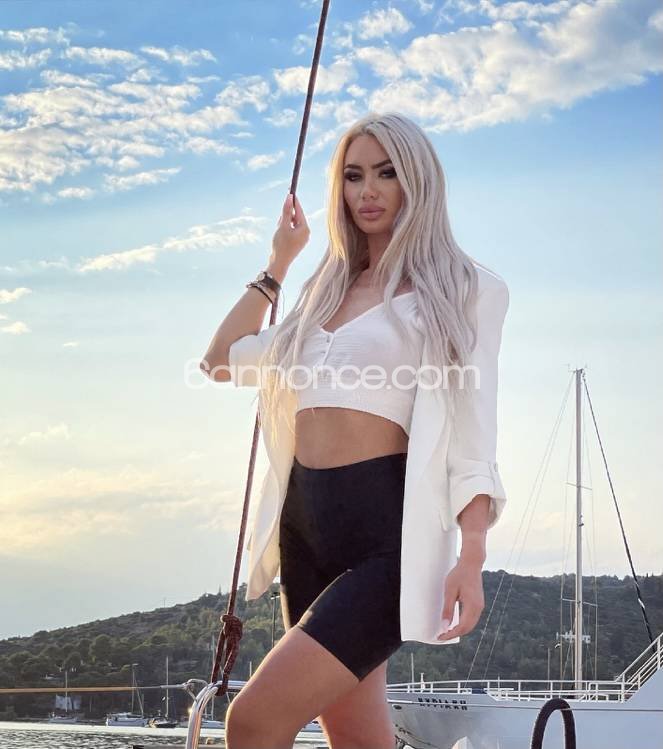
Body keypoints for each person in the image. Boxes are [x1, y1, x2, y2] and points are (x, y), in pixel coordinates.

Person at [200, 112, 510, 749]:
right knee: (356, 739)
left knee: (253, 722)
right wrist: (277, 264)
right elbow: (221, 361)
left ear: (417, 181)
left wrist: (471, 555)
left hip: (385, 537)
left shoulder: (464, 289)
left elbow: (475, 433)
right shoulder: (321, 294)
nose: (367, 191)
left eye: (386, 173)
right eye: (353, 176)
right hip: (305, 531)